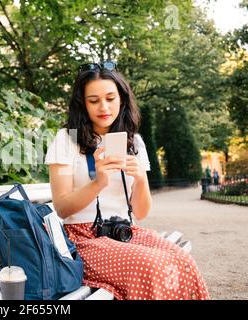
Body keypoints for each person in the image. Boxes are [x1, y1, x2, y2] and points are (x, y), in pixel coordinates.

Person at [44, 61, 210, 300]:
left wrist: (140, 178)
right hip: (83, 239)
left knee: (183, 261)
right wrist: (97, 183)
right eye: (93, 100)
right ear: (82, 104)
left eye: (110, 98)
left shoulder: (135, 142)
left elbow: (141, 212)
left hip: (125, 231)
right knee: (149, 267)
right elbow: (61, 208)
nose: (104, 107)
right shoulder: (66, 139)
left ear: (121, 99)